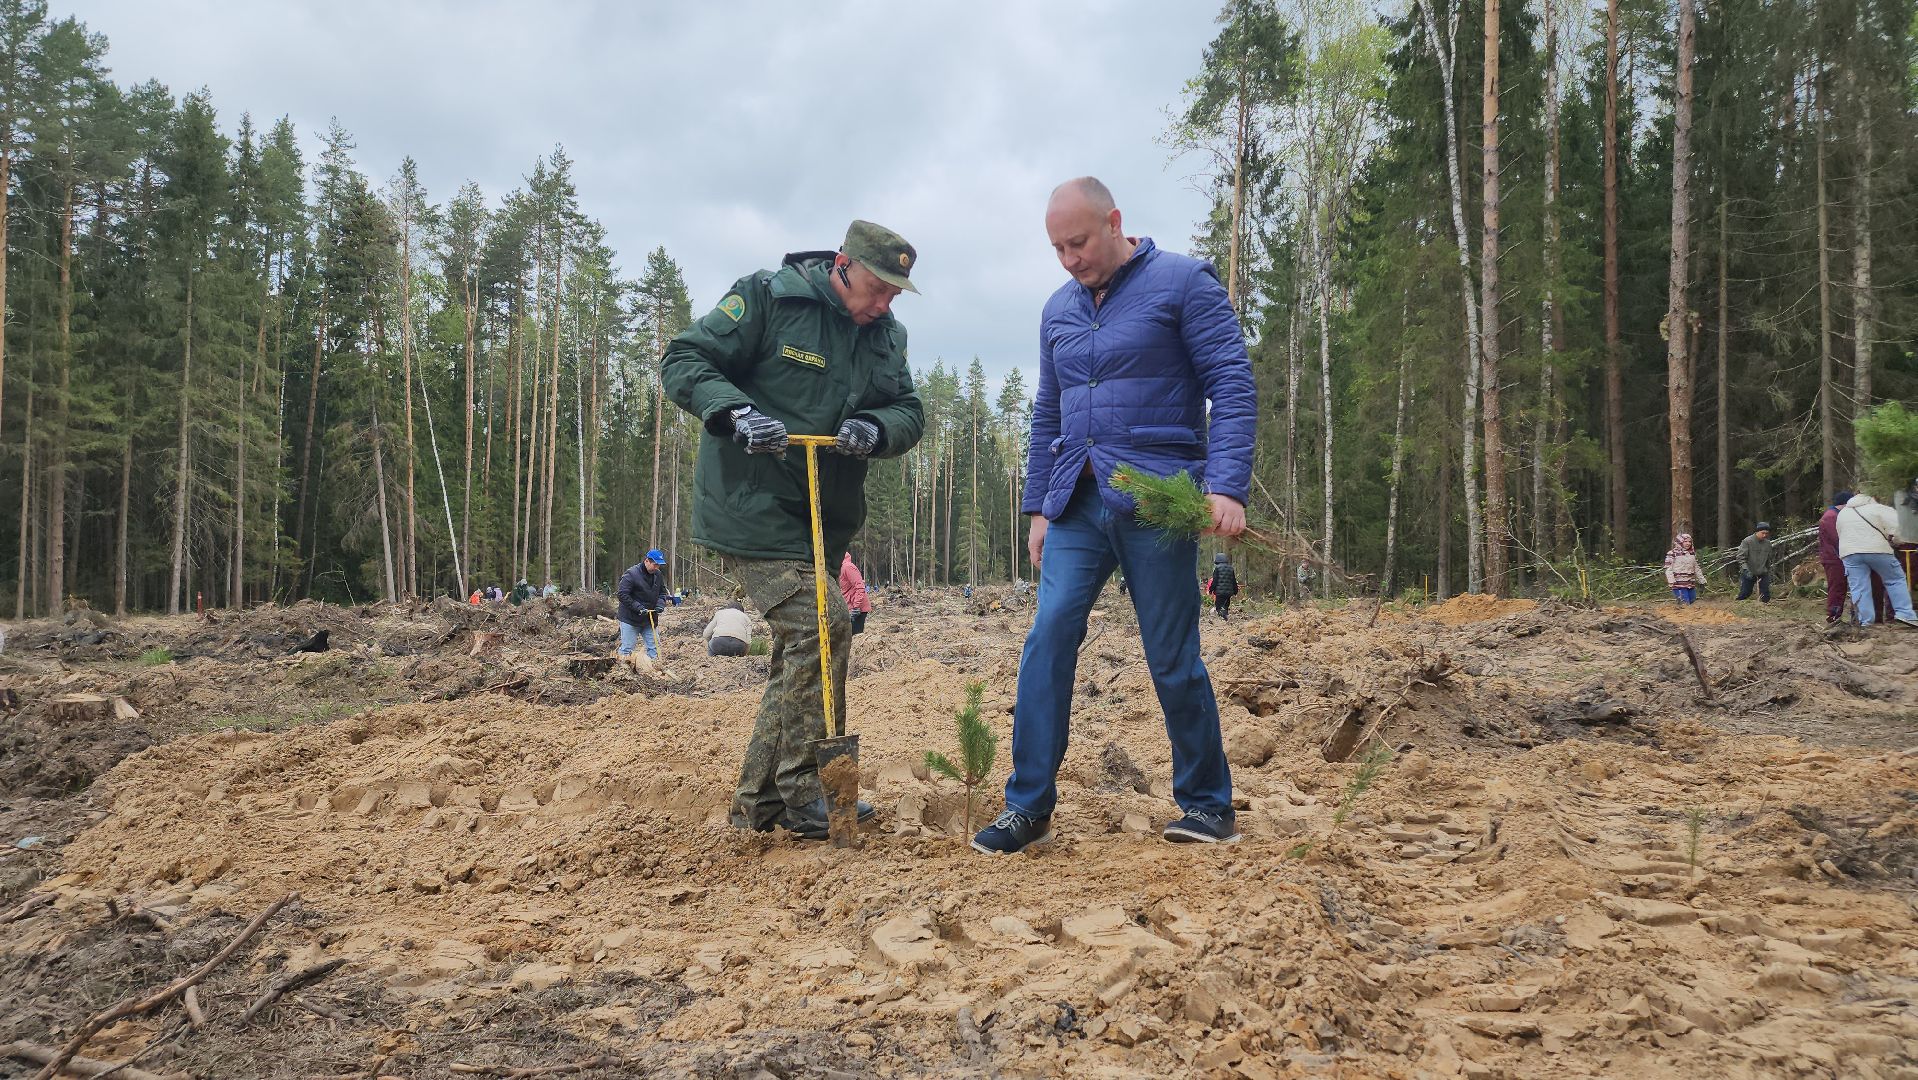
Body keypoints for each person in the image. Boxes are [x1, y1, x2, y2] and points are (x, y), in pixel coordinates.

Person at [973, 177, 1255, 856]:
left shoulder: (1185, 284)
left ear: (1115, 222)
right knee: (1047, 639)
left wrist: (1226, 486)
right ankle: (1027, 807)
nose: (1069, 258)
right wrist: (1039, 507)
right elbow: (1048, 414)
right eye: (1057, 248)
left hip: (1157, 499)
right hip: (1076, 501)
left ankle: (1208, 803)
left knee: (1171, 656)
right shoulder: (1057, 311)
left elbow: (1232, 384)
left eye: (1078, 242)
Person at [662, 219, 926, 841]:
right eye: (878, 286)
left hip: (821, 522)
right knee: (822, 624)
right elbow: (684, 358)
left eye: (896, 292)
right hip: (750, 506)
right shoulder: (767, 299)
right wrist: (735, 411)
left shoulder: (886, 336)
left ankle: (759, 802)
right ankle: (808, 792)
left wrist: (877, 428)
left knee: (798, 651)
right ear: (842, 266)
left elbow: (908, 408)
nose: (885, 302)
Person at [1837, 492, 1918, 627]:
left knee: (1859, 586)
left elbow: (1840, 532)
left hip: (1850, 553)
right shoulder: (1879, 508)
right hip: (1877, 549)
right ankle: (1905, 614)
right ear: (1873, 498)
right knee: (1895, 579)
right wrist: (1897, 541)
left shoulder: (1844, 513)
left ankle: (1865, 621)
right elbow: (1899, 528)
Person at [617, 551, 669, 661]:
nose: (657, 567)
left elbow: (662, 593)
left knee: (654, 648)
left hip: (650, 619)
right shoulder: (631, 574)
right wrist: (638, 607)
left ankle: (653, 670)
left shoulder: (658, 575)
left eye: (658, 565)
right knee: (627, 648)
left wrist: (660, 604)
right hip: (630, 618)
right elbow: (622, 594)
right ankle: (621, 671)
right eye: (655, 564)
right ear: (646, 561)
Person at [1735, 522, 1773, 603]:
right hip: (1749, 571)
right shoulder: (1747, 541)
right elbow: (1740, 557)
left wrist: (1768, 570)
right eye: (1762, 533)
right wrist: (1745, 570)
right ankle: (1737, 606)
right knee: (1745, 593)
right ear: (1757, 531)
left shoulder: (1768, 544)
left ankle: (1764, 609)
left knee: (1765, 595)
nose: (1764, 535)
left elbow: (1768, 559)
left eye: (1766, 533)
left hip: (1763, 572)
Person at [1664, 533, 1703, 606]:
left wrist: (1702, 580)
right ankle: (1681, 615)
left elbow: (1696, 568)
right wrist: (1671, 581)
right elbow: (1668, 568)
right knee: (1684, 602)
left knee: (1692, 599)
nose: (1688, 543)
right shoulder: (1672, 553)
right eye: (1685, 541)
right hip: (1678, 583)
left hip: (1690, 582)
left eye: (1689, 541)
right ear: (1680, 542)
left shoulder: (1692, 554)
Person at [839, 554, 873, 634]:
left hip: (857, 609)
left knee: (854, 635)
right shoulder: (840, 568)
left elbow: (860, 586)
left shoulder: (848, 567)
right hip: (849, 606)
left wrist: (856, 606)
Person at [1207, 552, 1238, 619]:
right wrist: (1235, 591)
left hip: (1219, 593)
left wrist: (1211, 589)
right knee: (1226, 606)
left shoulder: (1217, 568)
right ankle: (1225, 617)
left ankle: (1223, 618)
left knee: (1219, 606)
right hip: (1229, 592)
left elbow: (1215, 581)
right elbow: (1233, 580)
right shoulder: (1231, 568)